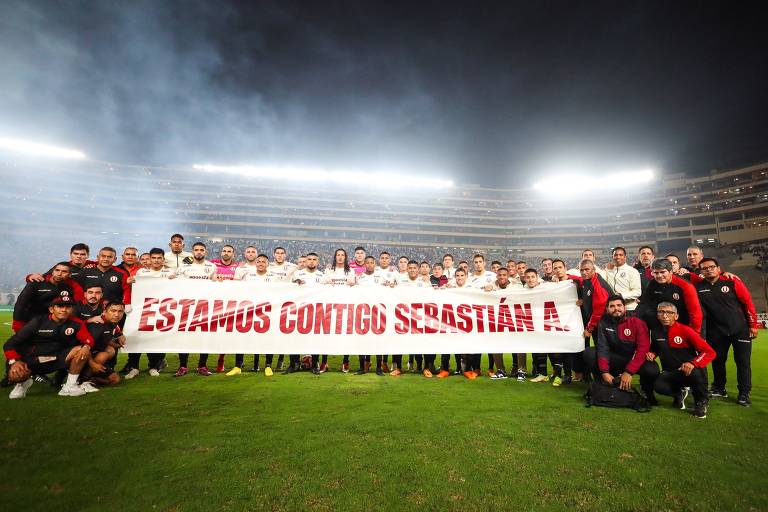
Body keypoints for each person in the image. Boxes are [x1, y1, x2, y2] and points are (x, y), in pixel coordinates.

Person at [5, 295, 96, 398]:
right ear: (51, 309)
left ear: (72, 309)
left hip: (56, 358)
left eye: (68, 307)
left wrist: (86, 347)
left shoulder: (76, 323)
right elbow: (10, 343)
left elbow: (89, 340)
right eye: (60, 306)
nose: (64, 310)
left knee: (82, 351)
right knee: (14, 375)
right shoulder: (37, 322)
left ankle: (69, 386)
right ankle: (22, 383)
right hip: (32, 360)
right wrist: (14, 362)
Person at [695, 257, 758, 406]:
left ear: (718, 268)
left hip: (740, 330)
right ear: (701, 272)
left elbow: (747, 302)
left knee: (743, 363)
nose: (708, 269)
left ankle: (744, 394)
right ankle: (719, 388)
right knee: (718, 361)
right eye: (705, 268)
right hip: (716, 332)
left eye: (711, 267)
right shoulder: (698, 288)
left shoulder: (732, 281)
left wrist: (753, 325)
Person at [585, 295, 660, 402]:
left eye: (619, 305)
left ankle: (647, 390)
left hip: (633, 359)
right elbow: (603, 347)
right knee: (590, 353)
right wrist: (604, 372)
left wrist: (628, 372)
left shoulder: (637, 321)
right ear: (607, 309)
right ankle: (603, 383)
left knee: (652, 369)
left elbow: (642, 349)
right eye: (612, 306)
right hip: (615, 358)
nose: (616, 308)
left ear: (625, 307)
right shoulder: (603, 322)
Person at [648, 302, 716, 418]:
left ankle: (701, 402)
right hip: (672, 372)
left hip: (690, 371)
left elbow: (710, 352)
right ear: (657, 315)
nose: (665, 316)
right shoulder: (655, 332)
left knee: (695, 373)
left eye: (669, 313)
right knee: (658, 385)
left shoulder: (686, 330)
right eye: (661, 312)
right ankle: (678, 393)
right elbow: (656, 348)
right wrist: (652, 354)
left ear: (676, 316)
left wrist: (693, 363)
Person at [120, 248, 170, 378]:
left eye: (159, 258)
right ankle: (134, 367)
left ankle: (153, 366)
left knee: (153, 339)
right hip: (141, 310)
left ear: (163, 259)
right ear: (150, 259)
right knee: (137, 337)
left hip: (161, 311)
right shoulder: (142, 272)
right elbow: (130, 288)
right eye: (154, 258)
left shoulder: (170, 272)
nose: (156, 260)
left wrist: (174, 280)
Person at [171, 242, 217, 377]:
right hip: (187, 306)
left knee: (204, 336)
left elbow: (215, 284)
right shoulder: (184, 267)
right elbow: (174, 284)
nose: (199, 252)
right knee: (184, 336)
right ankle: (183, 366)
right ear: (192, 252)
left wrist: (217, 280)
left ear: (206, 252)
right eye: (196, 250)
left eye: (201, 250)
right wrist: (170, 279)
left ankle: (202, 366)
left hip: (205, 306)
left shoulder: (211, 266)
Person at [231, 253, 277, 375]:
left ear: (268, 263)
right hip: (249, 310)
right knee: (242, 337)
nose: (261, 264)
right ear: (255, 263)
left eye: (263, 262)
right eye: (258, 261)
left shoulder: (274, 277)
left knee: (267, 338)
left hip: (266, 311)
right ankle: (238, 366)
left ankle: (268, 366)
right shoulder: (248, 276)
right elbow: (237, 289)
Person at [570, 259, 612, 382]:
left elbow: (599, 311)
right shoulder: (587, 281)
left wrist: (589, 327)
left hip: (603, 324)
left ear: (594, 270)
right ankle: (600, 376)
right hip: (598, 324)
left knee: (602, 349)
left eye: (587, 269)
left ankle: (605, 376)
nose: (584, 272)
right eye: (581, 270)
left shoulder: (597, 285)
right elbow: (580, 280)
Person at [13, 261, 83, 332]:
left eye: (64, 272)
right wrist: (17, 323)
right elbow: (21, 303)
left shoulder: (73, 286)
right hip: (32, 319)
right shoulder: (36, 282)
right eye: (57, 270)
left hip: (55, 322)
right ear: (52, 272)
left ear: (70, 274)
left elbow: (78, 306)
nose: (59, 274)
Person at [636, 258, 702, 334]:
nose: (659, 275)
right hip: (663, 324)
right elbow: (645, 304)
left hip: (684, 323)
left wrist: (694, 334)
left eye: (663, 272)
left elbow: (695, 313)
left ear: (671, 272)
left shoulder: (685, 286)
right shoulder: (652, 284)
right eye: (656, 273)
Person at [394, 260, 433, 376]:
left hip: (420, 318)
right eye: (410, 268)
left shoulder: (425, 283)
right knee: (399, 342)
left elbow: (431, 298)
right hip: (404, 317)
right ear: (407, 269)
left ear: (418, 269)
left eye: (414, 268)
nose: (412, 270)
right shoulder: (401, 282)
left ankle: (426, 368)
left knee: (423, 343)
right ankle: (399, 368)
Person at [292, 253, 327, 375]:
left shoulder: (322, 276)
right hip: (299, 310)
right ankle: (294, 364)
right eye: (309, 259)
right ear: (305, 261)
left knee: (315, 338)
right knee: (295, 337)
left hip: (316, 311)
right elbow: (288, 290)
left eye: (314, 260)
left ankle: (314, 365)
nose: (311, 262)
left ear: (318, 262)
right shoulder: (297, 274)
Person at [325, 248, 355, 372]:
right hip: (331, 307)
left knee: (346, 334)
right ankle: (324, 362)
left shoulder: (350, 271)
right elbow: (323, 285)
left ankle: (345, 361)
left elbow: (354, 286)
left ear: (346, 257)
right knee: (326, 334)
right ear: (335, 257)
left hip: (346, 308)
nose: (340, 257)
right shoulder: (328, 270)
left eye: (343, 255)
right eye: (338, 255)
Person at [211, 245, 239, 373]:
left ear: (233, 254)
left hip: (232, 303)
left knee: (227, 332)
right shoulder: (212, 264)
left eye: (229, 251)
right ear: (220, 252)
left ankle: (222, 359)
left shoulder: (238, 266)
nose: (226, 253)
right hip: (214, 302)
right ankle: (202, 362)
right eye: (224, 251)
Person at [83, 301, 126, 387]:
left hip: (95, 355)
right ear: (105, 311)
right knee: (105, 354)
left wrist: (118, 338)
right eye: (113, 311)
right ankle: (83, 379)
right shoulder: (97, 324)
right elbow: (83, 348)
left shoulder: (112, 322)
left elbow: (104, 338)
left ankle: (92, 380)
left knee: (115, 380)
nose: (117, 314)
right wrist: (93, 364)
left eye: (120, 311)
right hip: (83, 358)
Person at [603, 246, 642, 313]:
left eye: (621, 255)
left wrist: (621, 295)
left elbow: (637, 292)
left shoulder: (632, 271)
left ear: (625, 257)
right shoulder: (609, 270)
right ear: (612, 257)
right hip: (614, 310)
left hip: (629, 309)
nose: (618, 257)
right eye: (615, 255)